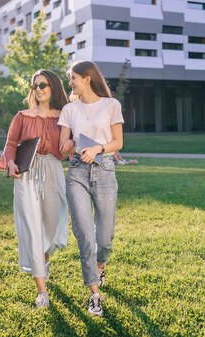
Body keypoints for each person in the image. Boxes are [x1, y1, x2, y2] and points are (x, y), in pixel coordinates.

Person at [0, 69, 70, 308]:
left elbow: (71, 143)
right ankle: (42, 291)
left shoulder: (65, 116)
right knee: (30, 227)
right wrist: (10, 163)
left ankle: (45, 255)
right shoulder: (22, 116)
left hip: (52, 169)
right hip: (26, 173)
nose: (38, 89)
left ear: (54, 88)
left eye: (43, 85)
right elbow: (10, 145)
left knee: (55, 221)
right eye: (35, 86)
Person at [58, 60, 124, 317]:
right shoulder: (69, 109)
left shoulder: (111, 105)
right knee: (85, 235)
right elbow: (64, 145)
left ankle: (101, 265)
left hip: (105, 169)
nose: (70, 83)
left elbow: (118, 142)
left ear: (87, 78)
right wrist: (71, 143)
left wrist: (97, 148)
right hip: (76, 172)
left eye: (73, 78)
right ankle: (94, 294)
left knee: (104, 237)